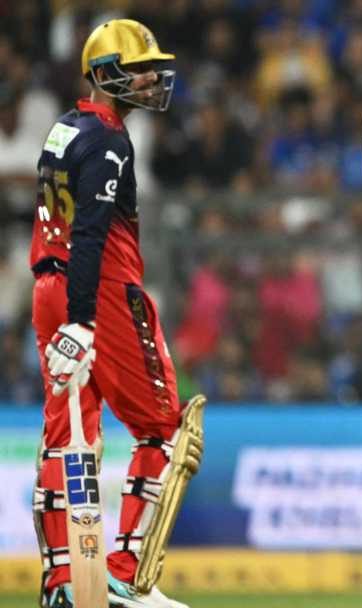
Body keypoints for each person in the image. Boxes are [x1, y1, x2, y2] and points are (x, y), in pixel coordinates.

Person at [29, 19, 204, 608]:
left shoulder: (64, 127)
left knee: (67, 437)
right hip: (99, 292)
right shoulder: (108, 139)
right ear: (106, 75)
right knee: (166, 429)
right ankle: (126, 576)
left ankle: (62, 583)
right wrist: (83, 320)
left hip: (48, 287)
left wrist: (66, 316)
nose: (152, 80)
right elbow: (91, 231)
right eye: (140, 70)